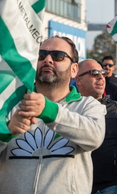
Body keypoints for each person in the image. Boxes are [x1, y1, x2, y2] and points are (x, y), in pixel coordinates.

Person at [0, 36, 106, 193]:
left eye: (58, 56)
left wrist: (49, 111)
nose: (48, 60)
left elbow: (94, 137)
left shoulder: (88, 105)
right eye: (41, 55)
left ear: (74, 70)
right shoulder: (8, 103)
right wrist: (6, 132)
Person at [75, 59, 117, 194]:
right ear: (78, 80)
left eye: (102, 73)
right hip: (75, 186)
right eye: (94, 73)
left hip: (108, 187)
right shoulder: (68, 109)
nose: (101, 77)